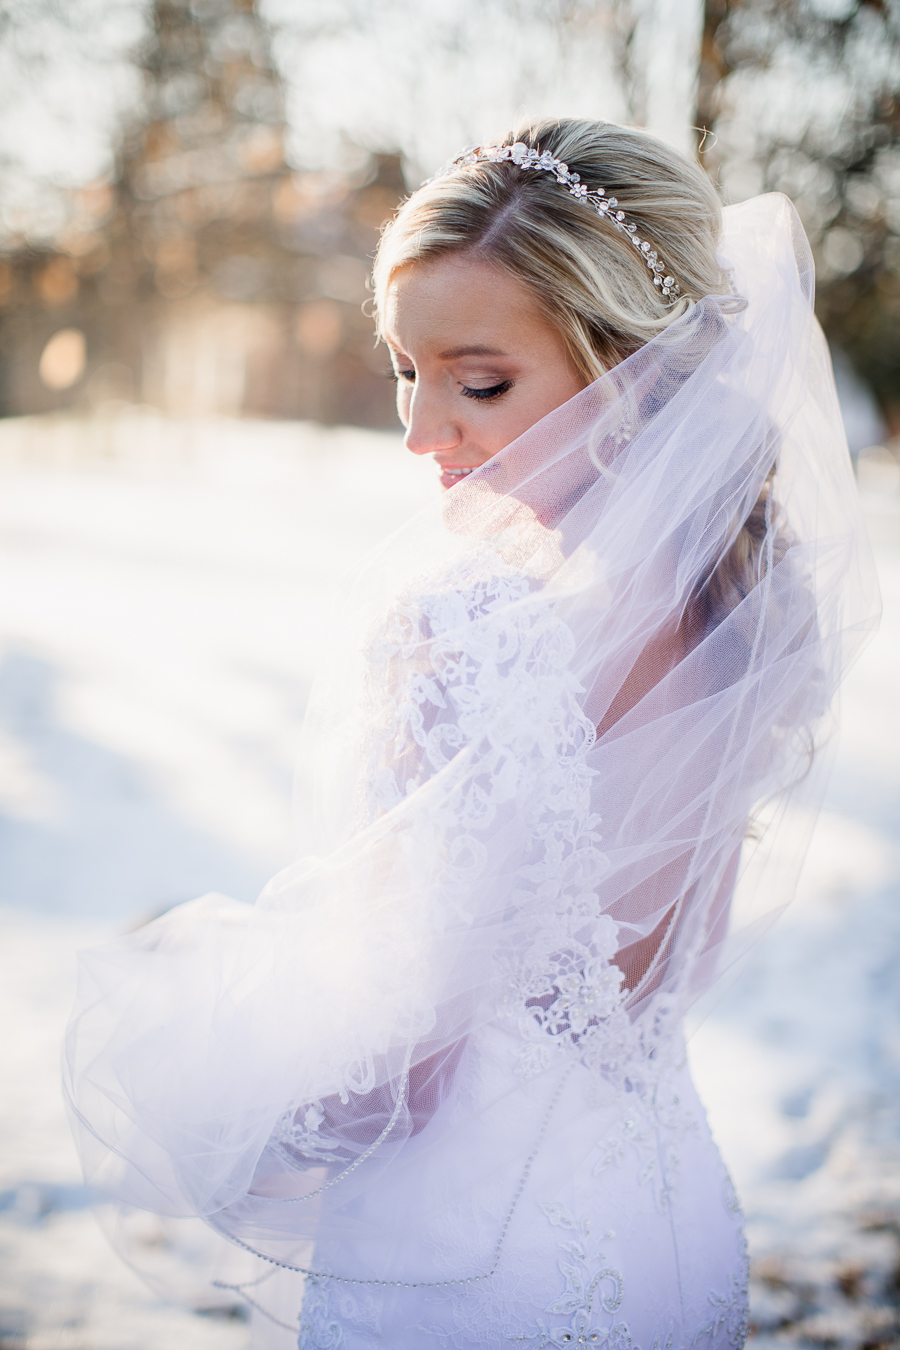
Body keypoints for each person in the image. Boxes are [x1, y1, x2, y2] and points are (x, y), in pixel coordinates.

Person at [65, 119, 879, 1349]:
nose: (420, 430)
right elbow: (654, 970)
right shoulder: (750, 610)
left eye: (479, 381)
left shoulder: (467, 628)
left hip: (466, 1268)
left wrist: (229, 1090)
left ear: (630, 368)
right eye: (406, 368)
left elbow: (409, 1052)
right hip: (667, 1224)